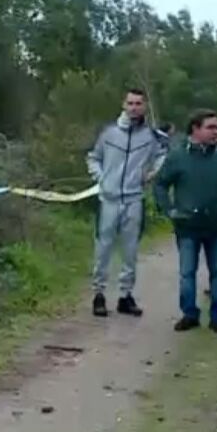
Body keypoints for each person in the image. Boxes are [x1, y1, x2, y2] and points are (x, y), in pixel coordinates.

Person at [154, 109, 217, 334]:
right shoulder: (178, 156)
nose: (216, 132)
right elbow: (160, 184)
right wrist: (170, 210)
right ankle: (189, 314)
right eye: (211, 127)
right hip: (188, 226)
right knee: (187, 272)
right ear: (195, 129)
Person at [87, 89, 168, 318]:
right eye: (130, 103)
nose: (134, 107)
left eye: (138, 103)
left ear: (144, 106)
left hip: (134, 199)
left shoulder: (151, 136)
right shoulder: (109, 133)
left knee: (130, 251)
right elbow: (93, 157)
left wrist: (151, 173)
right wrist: (101, 177)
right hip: (109, 200)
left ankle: (125, 296)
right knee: (103, 248)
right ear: (124, 105)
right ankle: (99, 294)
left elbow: (163, 154)